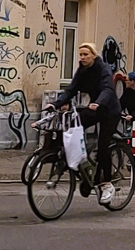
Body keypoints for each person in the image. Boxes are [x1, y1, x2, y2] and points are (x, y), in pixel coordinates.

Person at [52, 42, 121, 204]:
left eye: (85, 55)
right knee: (72, 125)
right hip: (94, 109)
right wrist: (55, 104)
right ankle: (83, 162)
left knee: (103, 146)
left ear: (93, 56)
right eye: (81, 55)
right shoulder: (82, 70)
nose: (82, 58)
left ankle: (107, 184)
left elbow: (108, 89)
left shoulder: (103, 69)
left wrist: (98, 102)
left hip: (109, 111)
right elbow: (71, 89)